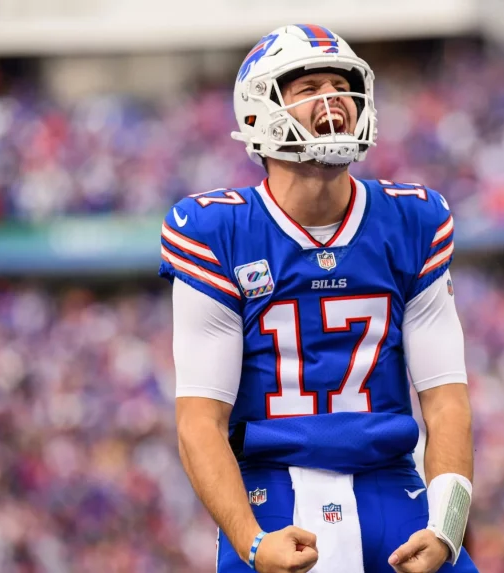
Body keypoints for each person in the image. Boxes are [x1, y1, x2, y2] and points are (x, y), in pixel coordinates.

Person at [160, 24, 478, 573]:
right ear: (258, 112)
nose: (334, 100)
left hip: (389, 482)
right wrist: (252, 542)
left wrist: (446, 529)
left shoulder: (412, 219)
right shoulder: (217, 230)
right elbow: (198, 422)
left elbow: (446, 400)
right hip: (270, 488)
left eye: (341, 84)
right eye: (308, 88)